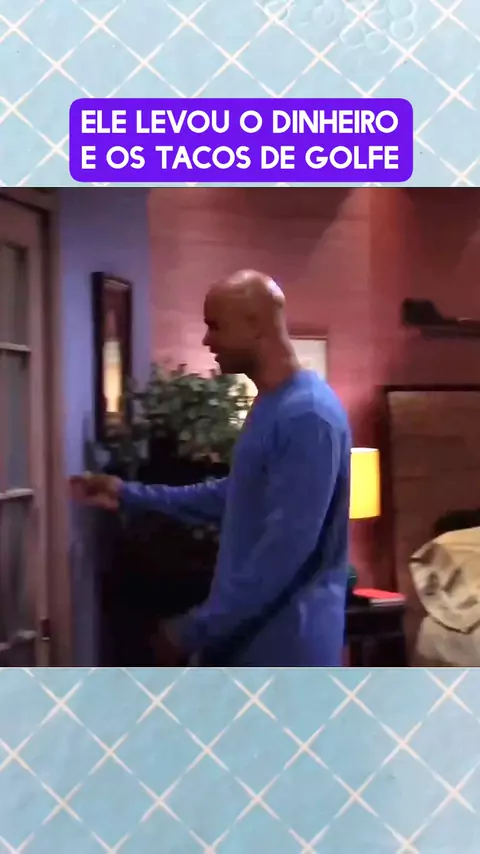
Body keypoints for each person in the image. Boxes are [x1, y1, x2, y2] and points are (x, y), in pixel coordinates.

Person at [71, 269, 352, 666]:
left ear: (255, 325)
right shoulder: (274, 403)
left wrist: (193, 630)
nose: (208, 340)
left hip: (286, 654)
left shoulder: (308, 415)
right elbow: (236, 493)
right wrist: (129, 494)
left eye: (216, 326)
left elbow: (281, 553)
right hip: (249, 647)